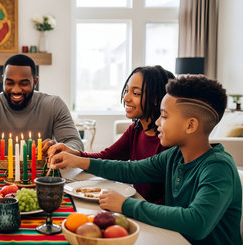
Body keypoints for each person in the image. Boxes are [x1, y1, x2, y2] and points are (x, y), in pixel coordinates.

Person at [50, 75, 242, 244]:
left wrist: (126, 205)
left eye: (164, 116)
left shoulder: (218, 167)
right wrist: (78, 160)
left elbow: (197, 222)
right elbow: (130, 170)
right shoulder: (174, 156)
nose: (158, 121)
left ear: (190, 125)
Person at [48, 65, 174, 204]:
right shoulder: (135, 130)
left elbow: (130, 172)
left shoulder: (167, 140)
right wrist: (73, 153)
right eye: (126, 91)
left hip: (152, 214)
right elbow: (106, 157)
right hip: (137, 203)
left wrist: (77, 161)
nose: (126, 98)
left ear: (156, 99)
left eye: (136, 93)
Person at [0, 54, 83, 162]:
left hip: (40, 177)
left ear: (35, 82)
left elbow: (75, 143)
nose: (16, 90)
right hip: (1, 175)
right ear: (3, 80)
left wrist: (59, 149)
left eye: (24, 83)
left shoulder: (54, 105)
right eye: (10, 83)